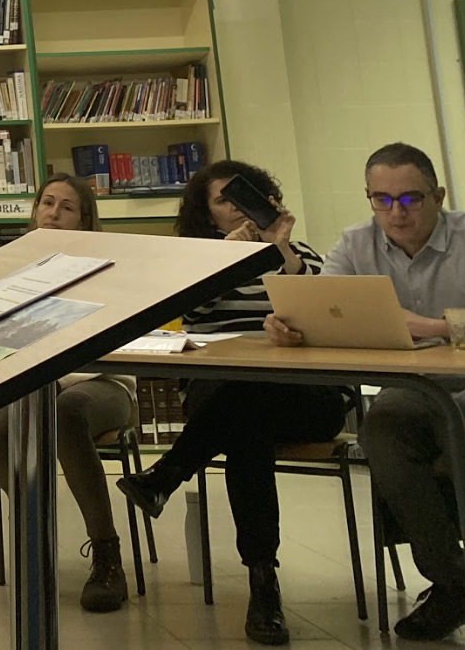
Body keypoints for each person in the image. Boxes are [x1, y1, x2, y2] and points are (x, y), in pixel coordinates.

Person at [116, 159, 346, 646]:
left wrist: (279, 249)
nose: (236, 208)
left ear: (267, 201)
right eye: (223, 200)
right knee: (245, 417)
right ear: (207, 215)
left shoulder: (300, 252)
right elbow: (189, 309)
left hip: (304, 394)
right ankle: (263, 582)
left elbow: (324, 309)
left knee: (245, 407)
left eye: (244, 197)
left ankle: (166, 475)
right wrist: (229, 260)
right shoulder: (201, 260)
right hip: (221, 388)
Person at [266, 142, 465, 642]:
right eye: (381, 200)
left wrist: (432, 327)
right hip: (415, 387)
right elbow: (324, 305)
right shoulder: (356, 243)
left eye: (410, 199)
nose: (396, 212)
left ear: (438, 196)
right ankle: (454, 579)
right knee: (381, 425)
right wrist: (291, 326)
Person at [0, 174, 136, 612]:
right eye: (47, 203)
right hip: (37, 387)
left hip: (103, 384)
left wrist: (61, 378)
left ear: (84, 219)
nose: (53, 213)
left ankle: (107, 553)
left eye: (66, 207)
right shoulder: (16, 270)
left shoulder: (108, 267)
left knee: (65, 413)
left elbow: (114, 344)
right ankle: (36, 536)